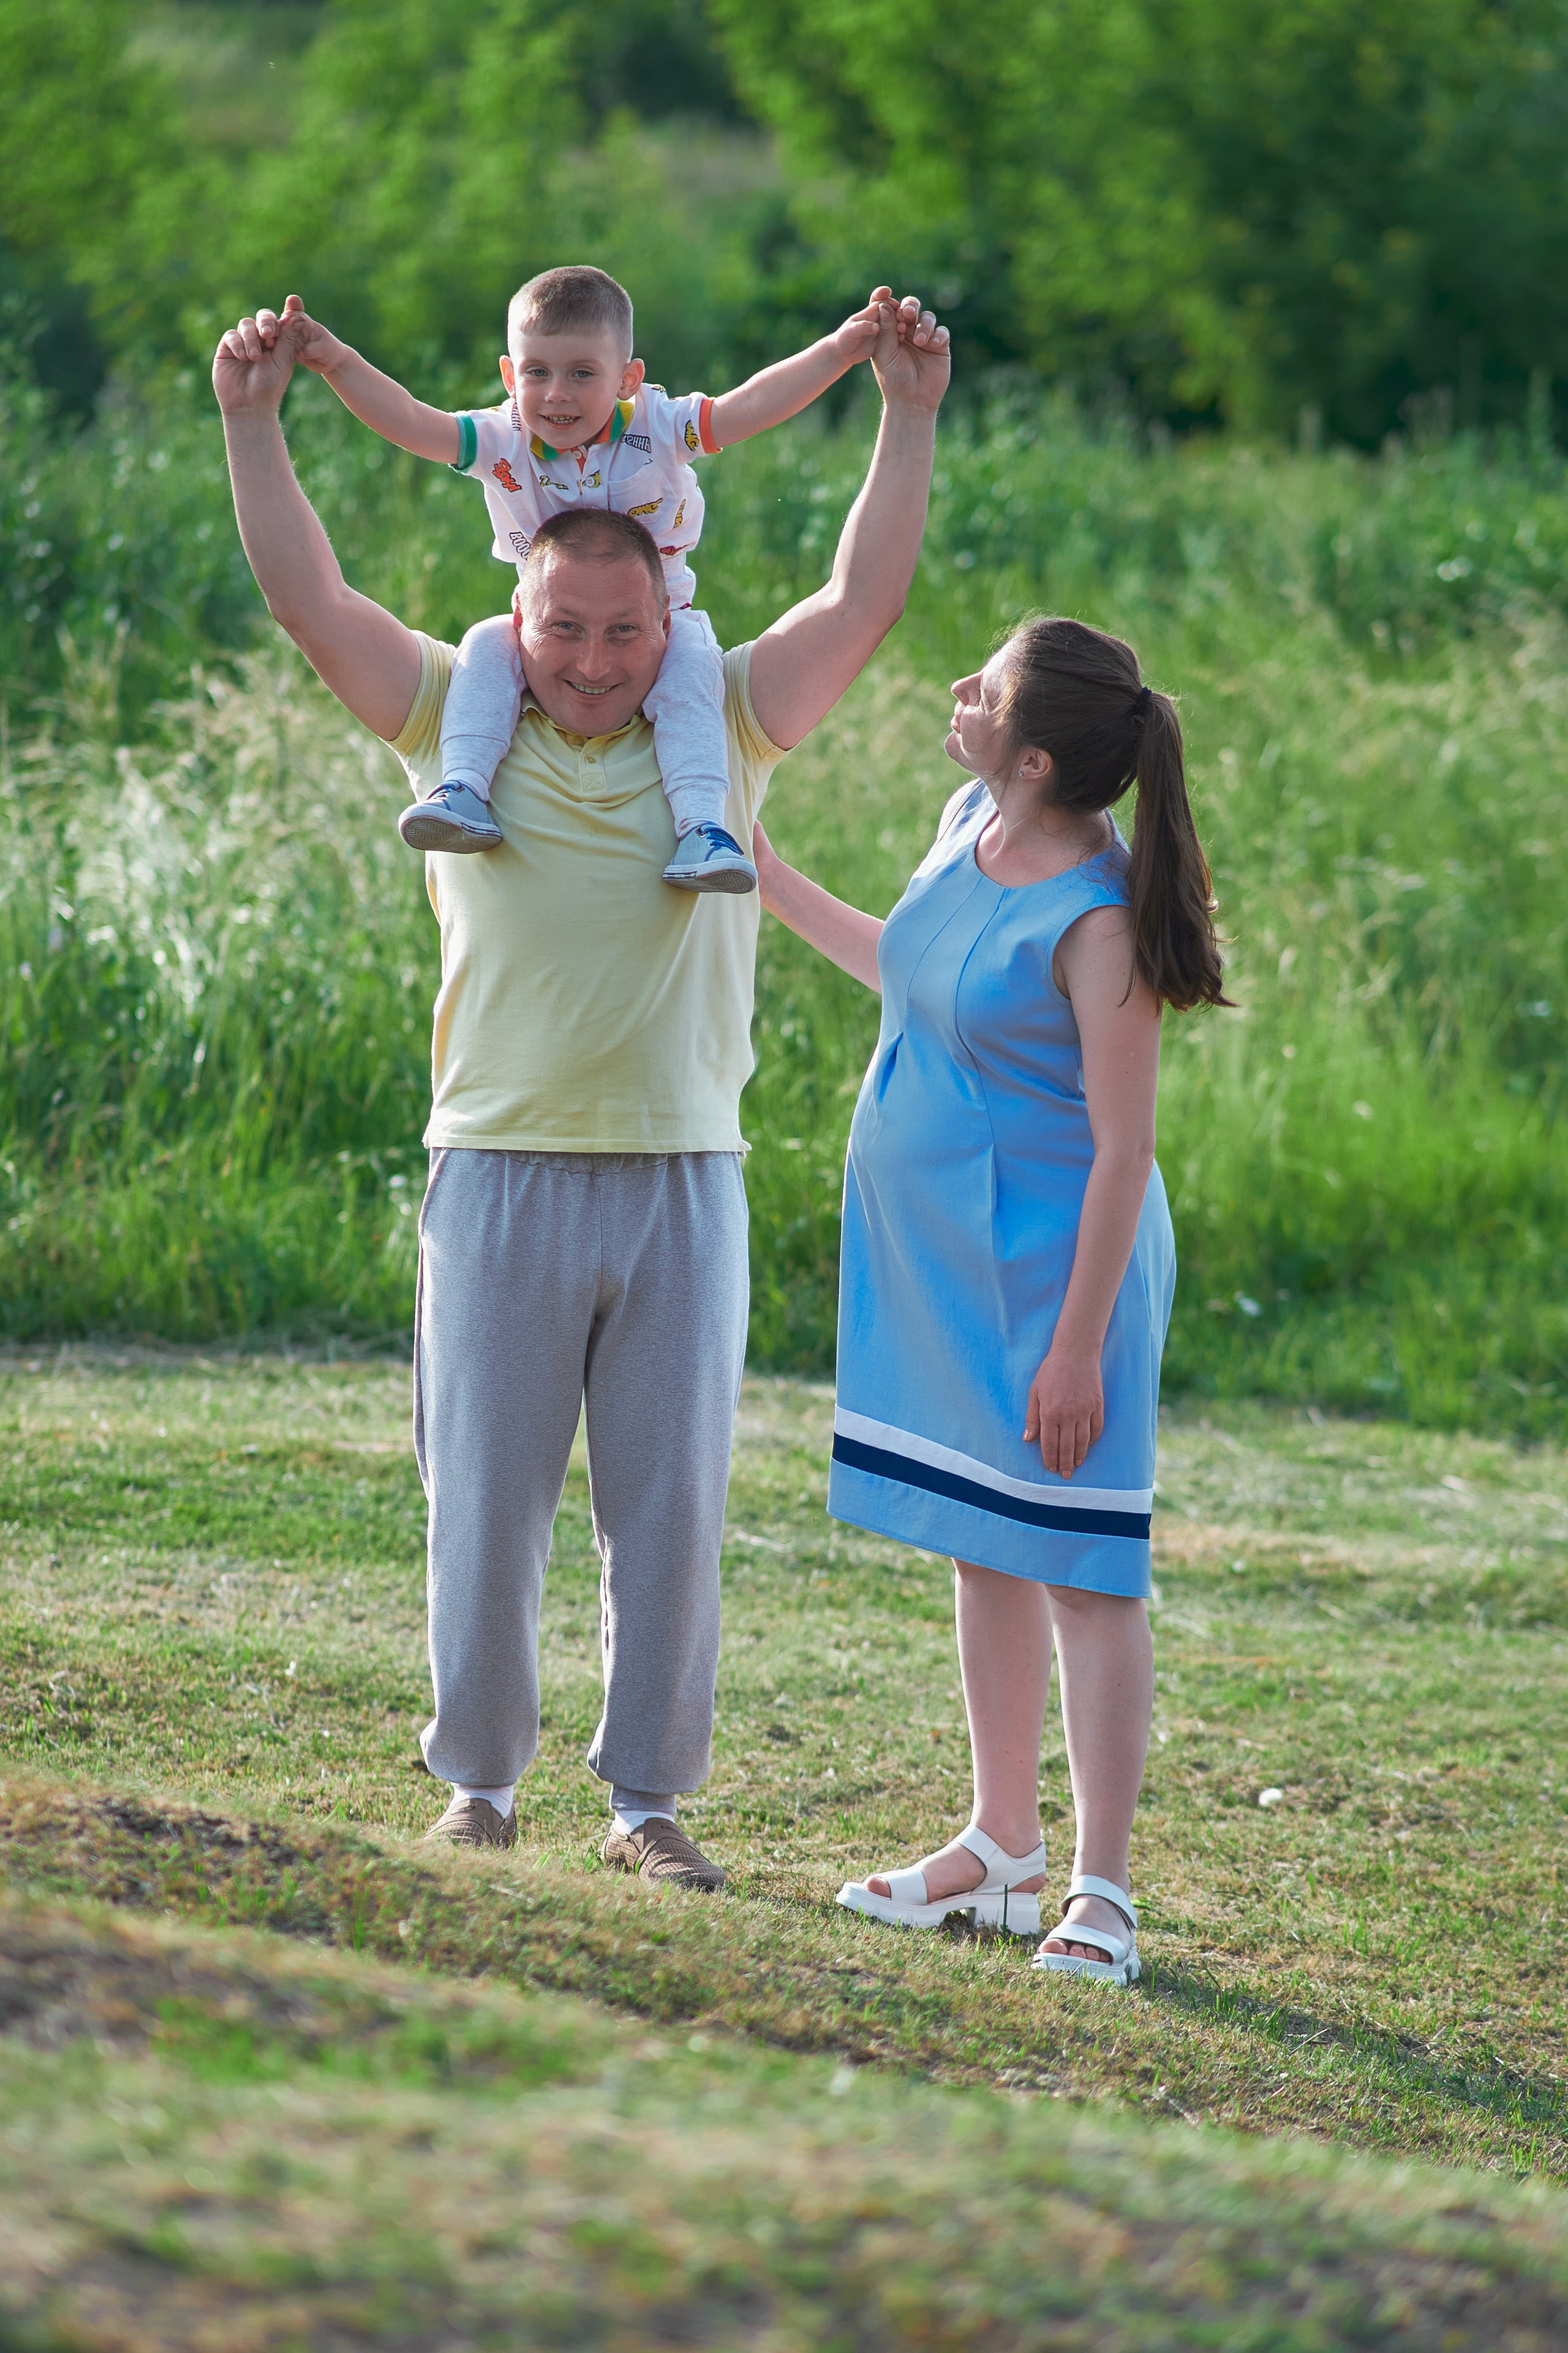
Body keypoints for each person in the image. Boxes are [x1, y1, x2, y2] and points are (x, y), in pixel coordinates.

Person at [211, 288, 951, 1886]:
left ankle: (648, 1808)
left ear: (669, 630)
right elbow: (310, 596)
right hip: (497, 1176)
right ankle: (477, 1784)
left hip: (686, 1176)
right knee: (482, 1507)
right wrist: (253, 423)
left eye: (626, 636)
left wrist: (904, 410)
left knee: (670, 1519)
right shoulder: (451, 731)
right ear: (516, 627)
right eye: (565, 633)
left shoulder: (729, 732)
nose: (597, 662)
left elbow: (863, 598)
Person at [753, 617, 1227, 1979]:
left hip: (1058, 1284)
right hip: (945, 1269)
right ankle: (1000, 1851)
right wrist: (768, 877)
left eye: (987, 688)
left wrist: (1076, 1350)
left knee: (1081, 1571)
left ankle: (1101, 1894)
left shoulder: (1098, 918)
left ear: (1033, 756)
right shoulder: (968, 814)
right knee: (984, 1538)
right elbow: (909, 976)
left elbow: (1123, 1150)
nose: (956, 692)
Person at [268, 266, 890, 892]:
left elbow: (748, 406)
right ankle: (461, 788)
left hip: (660, 617)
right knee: (485, 646)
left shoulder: (659, 425)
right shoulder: (498, 437)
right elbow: (410, 420)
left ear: (627, 379)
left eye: (582, 373)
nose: (557, 394)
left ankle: (703, 827)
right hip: (545, 621)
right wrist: (336, 363)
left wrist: (839, 351)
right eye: (536, 372)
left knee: (694, 681)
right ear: (509, 377)